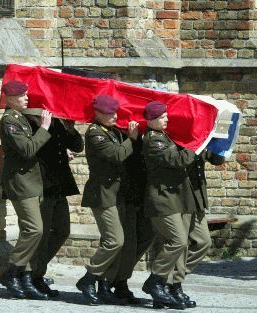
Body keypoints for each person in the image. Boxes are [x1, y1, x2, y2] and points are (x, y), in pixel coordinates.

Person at [76, 94, 139, 305]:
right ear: (97, 114)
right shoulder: (95, 134)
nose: (114, 116)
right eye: (109, 113)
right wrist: (131, 138)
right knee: (114, 240)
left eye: (115, 112)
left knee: (117, 241)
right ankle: (88, 278)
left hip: (117, 193)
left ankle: (103, 284)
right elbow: (117, 155)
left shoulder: (111, 130)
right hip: (102, 194)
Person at [0, 80, 52, 300]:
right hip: (21, 183)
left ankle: (25, 276)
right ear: (11, 99)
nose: (27, 98)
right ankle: (12, 272)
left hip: (31, 182)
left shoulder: (21, 118)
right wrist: (44, 128)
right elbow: (28, 149)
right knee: (34, 229)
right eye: (22, 96)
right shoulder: (9, 121)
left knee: (30, 231)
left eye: (26, 94)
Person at [141, 101, 196, 310]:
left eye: (166, 116)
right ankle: (155, 281)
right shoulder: (153, 141)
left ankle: (165, 290)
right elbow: (177, 160)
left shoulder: (164, 136)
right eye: (162, 117)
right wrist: (194, 145)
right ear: (152, 119)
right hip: (161, 199)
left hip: (173, 198)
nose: (167, 119)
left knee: (173, 244)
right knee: (178, 241)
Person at [25, 114, 84, 297]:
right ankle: (34, 276)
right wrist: (43, 126)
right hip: (42, 184)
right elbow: (28, 150)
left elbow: (77, 146)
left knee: (62, 230)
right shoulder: (29, 121)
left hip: (58, 184)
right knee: (41, 234)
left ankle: (37, 270)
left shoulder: (56, 121)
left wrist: (71, 130)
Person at [168, 149, 225, 307]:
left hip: (197, 197)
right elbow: (180, 161)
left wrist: (220, 145)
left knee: (203, 242)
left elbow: (216, 159)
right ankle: (173, 284)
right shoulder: (180, 138)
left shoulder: (201, 139)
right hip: (183, 197)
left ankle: (166, 279)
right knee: (182, 243)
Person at [109, 134, 155, 304]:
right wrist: (131, 137)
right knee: (127, 242)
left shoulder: (152, 134)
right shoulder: (121, 133)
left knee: (147, 236)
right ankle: (118, 282)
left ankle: (118, 276)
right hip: (126, 193)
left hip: (146, 194)